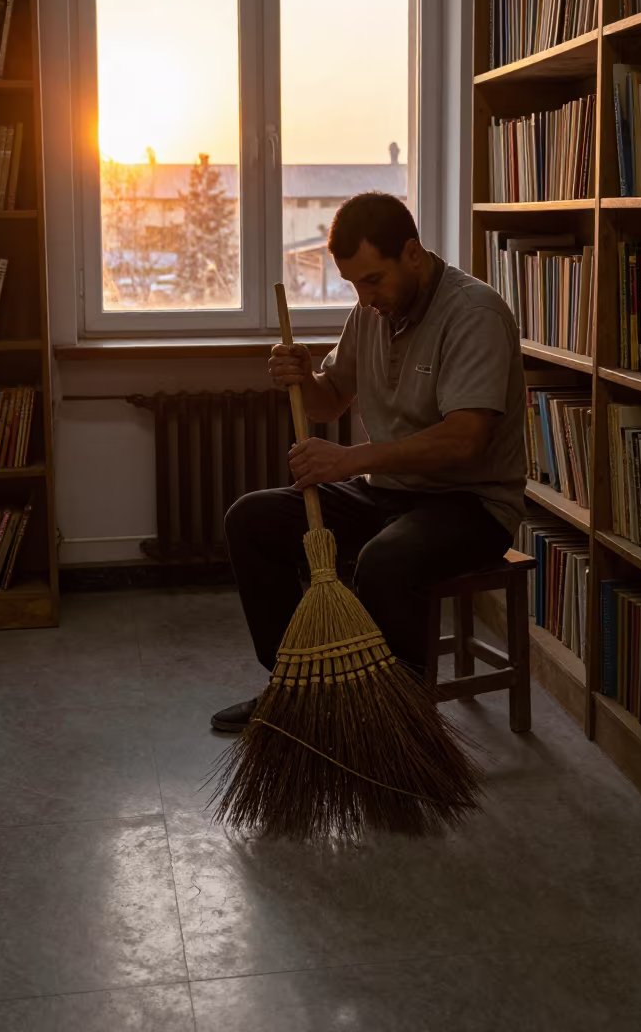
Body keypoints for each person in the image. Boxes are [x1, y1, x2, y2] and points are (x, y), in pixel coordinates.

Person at [211, 192, 526, 732]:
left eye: (373, 279)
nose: (364, 295)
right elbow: (330, 398)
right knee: (251, 520)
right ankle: (298, 688)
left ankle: (399, 721)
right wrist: (301, 379)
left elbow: (465, 439)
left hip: (471, 503)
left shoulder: (474, 313)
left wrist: (349, 459)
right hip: (389, 492)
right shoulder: (371, 312)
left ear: (412, 252)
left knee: (384, 561)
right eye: (354, 283)